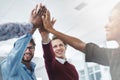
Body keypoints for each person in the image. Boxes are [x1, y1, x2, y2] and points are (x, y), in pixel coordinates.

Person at [41, 2, 120, 80]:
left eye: (111, 20)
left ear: (65, 47)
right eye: (55, 46)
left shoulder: (71, 67)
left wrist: (52, 30)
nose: (106, 25)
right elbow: (82, 46)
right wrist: (49, 32)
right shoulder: (113, 55)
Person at [0, 3, 46, 80]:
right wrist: (32, 26)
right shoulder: (9, 66)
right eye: (25, 48)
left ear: (34, 49)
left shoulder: (32, 69)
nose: (28, 51)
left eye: (31, 48)